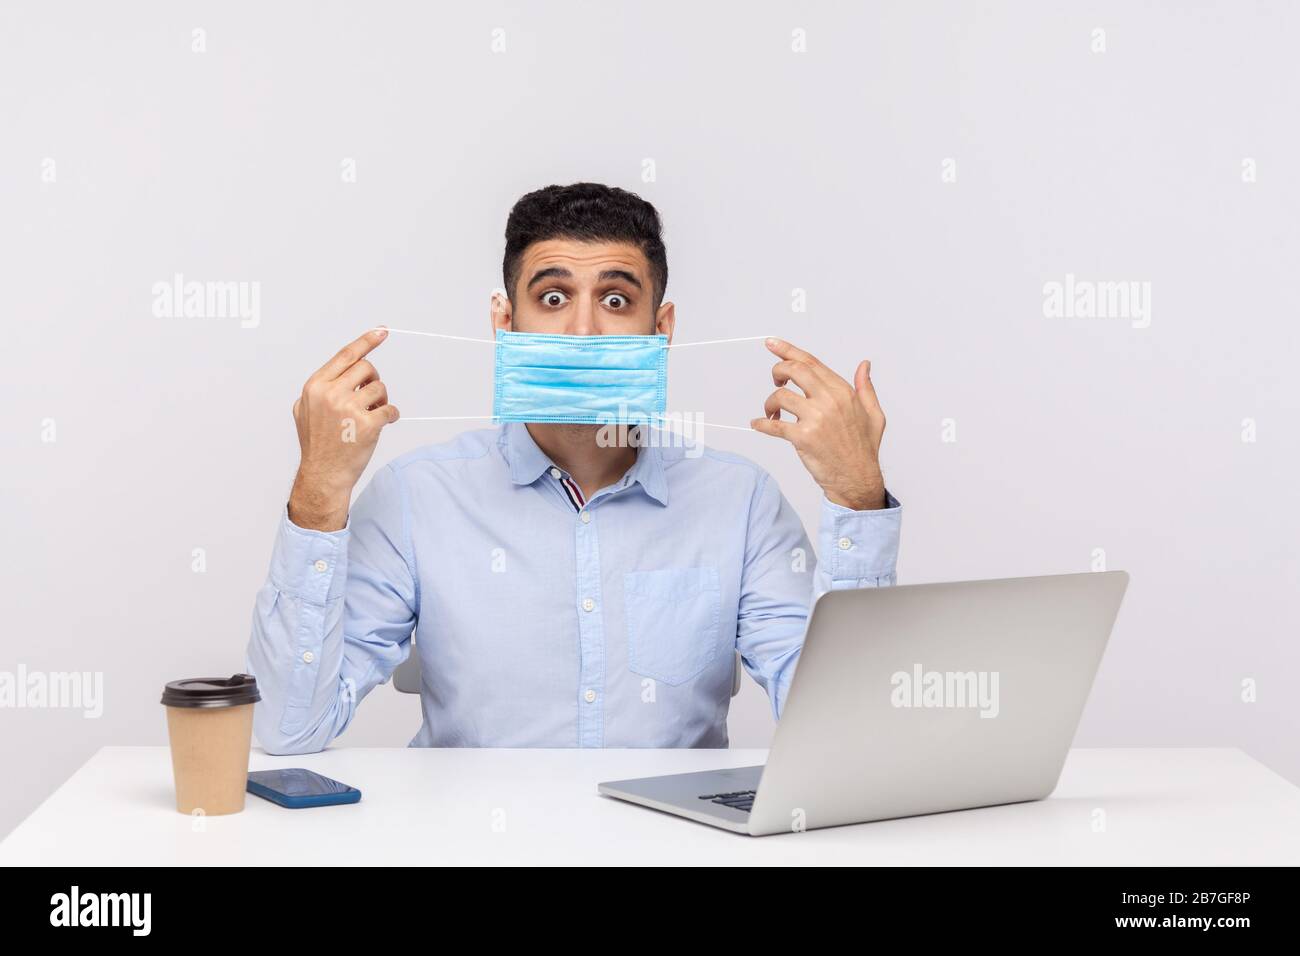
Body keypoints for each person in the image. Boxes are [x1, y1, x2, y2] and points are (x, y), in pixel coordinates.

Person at [245, 182, 901, 754]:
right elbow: (288, 728)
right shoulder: (417, 498)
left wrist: (856, 495)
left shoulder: (742, 503)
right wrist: (321, 489)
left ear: (661, 328)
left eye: (615, 301)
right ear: (504, 323)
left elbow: (848, 740)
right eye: (553, 298)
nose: (584, 332)